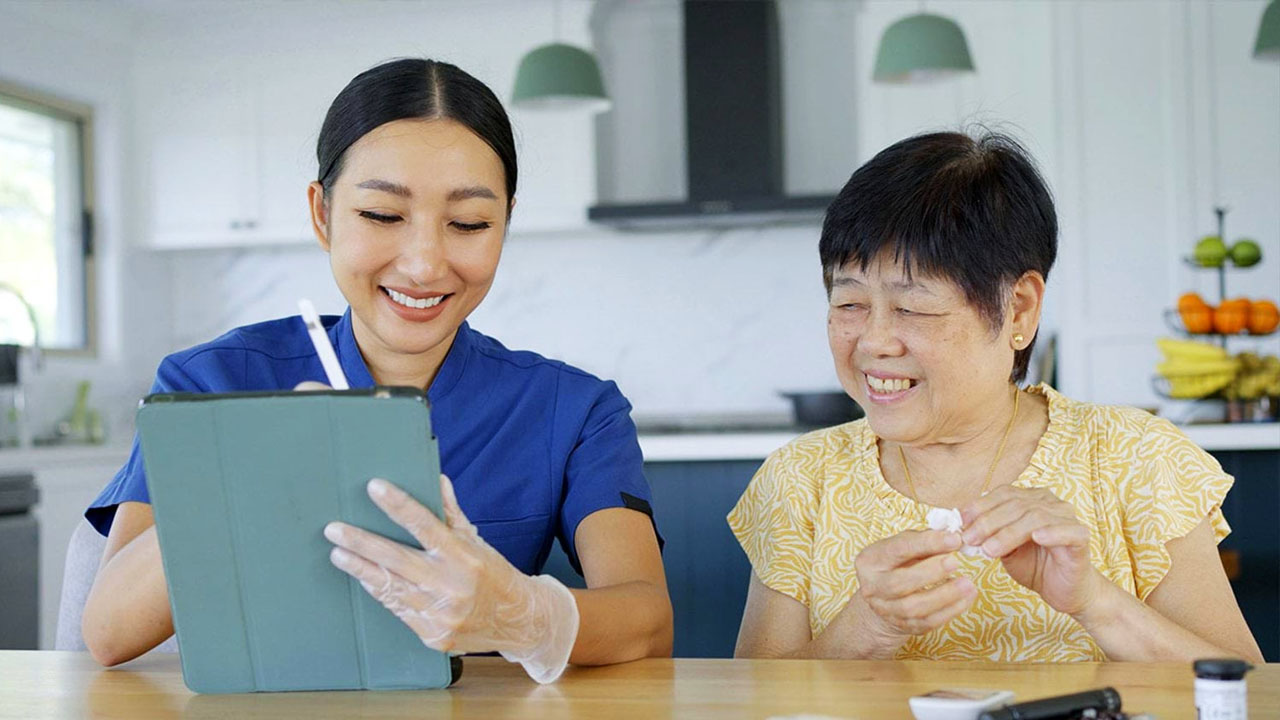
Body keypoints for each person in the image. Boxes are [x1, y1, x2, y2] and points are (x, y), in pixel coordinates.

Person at [82, 58, 672, 681]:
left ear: (504, 224)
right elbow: (109, 631)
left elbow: (650, 622)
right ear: (322, 215)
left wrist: (524, 615)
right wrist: (243, 470)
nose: (423, 264)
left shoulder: (573, 409)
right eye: (382, 216)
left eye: (469, 223)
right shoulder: (211, 383)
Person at [729, 131, 1262, 663]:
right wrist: (865, 628)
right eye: (848, 302)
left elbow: (1248, 695)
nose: (872, 342)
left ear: (1019, 309)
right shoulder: (802, 479)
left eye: (913, 308)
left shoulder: (1135, 459)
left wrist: (1096, 602)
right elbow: (750, 706)